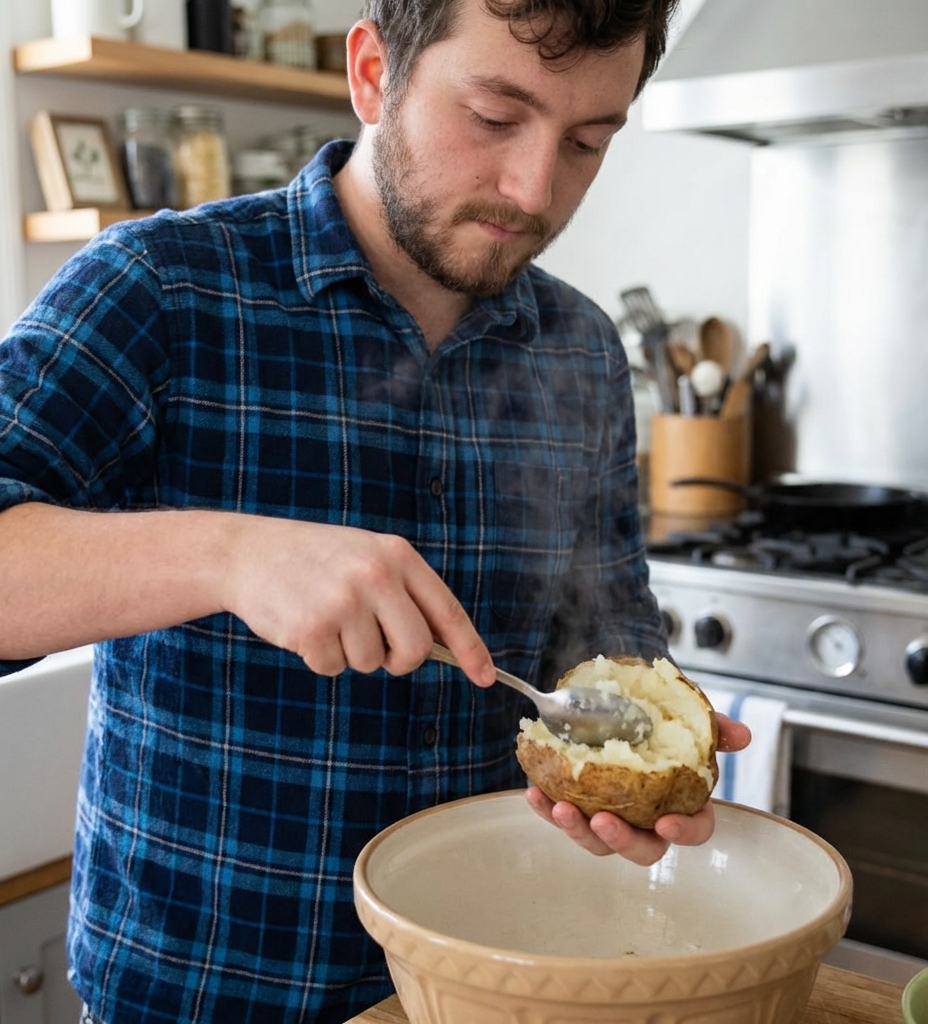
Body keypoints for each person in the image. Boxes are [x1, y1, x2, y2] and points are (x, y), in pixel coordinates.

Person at [0, 0, 750, 1019]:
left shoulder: (583, 348)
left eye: (586, 141)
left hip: (483, 987)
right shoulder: (158, 289)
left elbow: (602, 624)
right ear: (370, 74)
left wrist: (628, 751)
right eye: (493, 115)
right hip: (197, 1000)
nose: (533, 188)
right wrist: (228, 555)